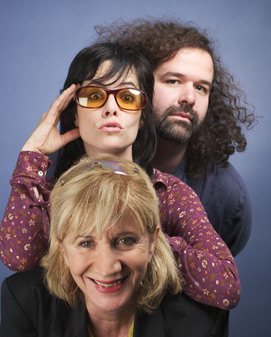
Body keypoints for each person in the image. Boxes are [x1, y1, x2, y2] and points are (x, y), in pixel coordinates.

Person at [0, 42, 240, 309]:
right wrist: (32, 156)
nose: (111, 108)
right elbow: (17, 257)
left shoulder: (169, 193)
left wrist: (146, 240)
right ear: (74, 113)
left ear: (143, 114)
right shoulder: (52, 193)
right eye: (94, 96)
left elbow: (226, 286)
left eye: (127, 98)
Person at [0, 155, 229, 337]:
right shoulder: (26, 304)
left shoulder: (200, 325)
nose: (108, 267)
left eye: (125, 240)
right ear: (62, 247)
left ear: (153, 241)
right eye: (86, 242)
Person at [96, 18, 257, 256]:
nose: (189, 98)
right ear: (138, 84)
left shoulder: (227, 193)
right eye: (173, 81)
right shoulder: (78, 158)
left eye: (201, 87)